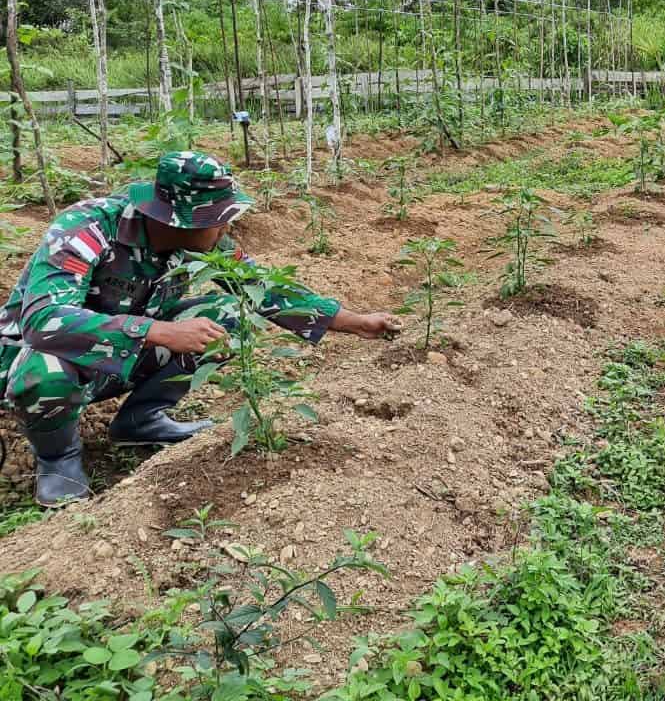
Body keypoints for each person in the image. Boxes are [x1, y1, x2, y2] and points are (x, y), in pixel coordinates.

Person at [1, 151, 400, 507]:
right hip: (38, 362)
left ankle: (141, 421)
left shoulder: (201, 242)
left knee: (229, 316)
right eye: (218, 221)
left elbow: (261, 288)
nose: (226, 230)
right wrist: (155, 331)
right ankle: (57, 460)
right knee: (46, 370)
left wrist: (354, 322)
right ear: (177, 220)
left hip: (115, 359)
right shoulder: (87, 228)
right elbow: (43, 320)